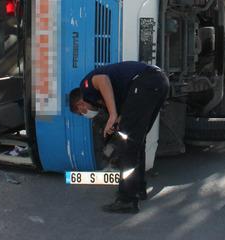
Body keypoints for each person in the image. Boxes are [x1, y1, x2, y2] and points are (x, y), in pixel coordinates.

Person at [69, 61, 169, 213]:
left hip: (145, 82)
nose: (84, 114)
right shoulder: (112, 96)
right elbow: (126, 113)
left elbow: (102, 79)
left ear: (80, 104)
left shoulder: (85, 86)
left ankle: (126, 199)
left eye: (81, 112)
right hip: (158, 82)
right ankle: (138, 188)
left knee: (127, 144)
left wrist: (113, 115)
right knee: (136, 141)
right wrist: (115, 121)